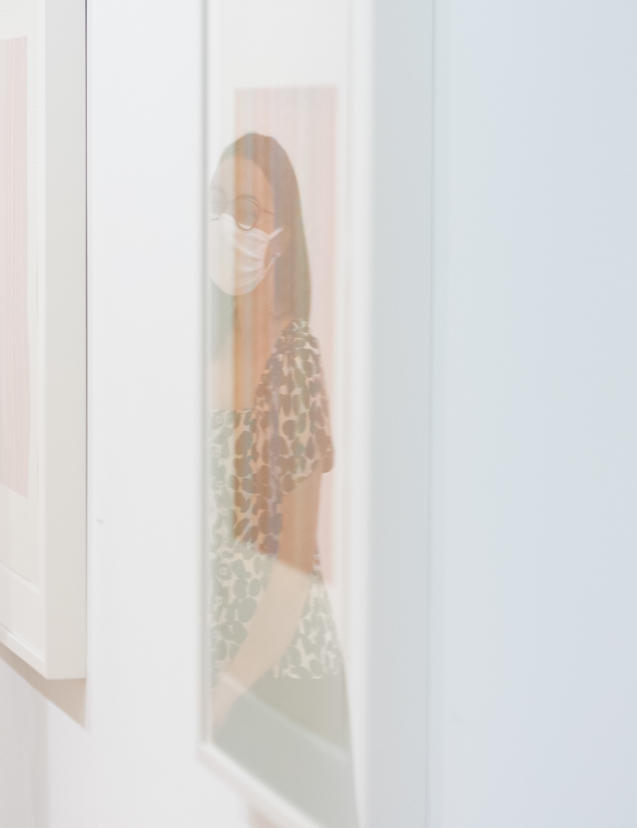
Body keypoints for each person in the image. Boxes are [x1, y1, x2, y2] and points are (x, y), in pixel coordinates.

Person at [205, 132, 358, 826]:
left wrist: (230, 689)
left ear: (282, 238)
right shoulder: (200, 341)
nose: (229, 226)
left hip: (284, 682)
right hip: (219, 670)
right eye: (218, 204)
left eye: (249, 210)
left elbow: (294, 568)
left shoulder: (295, 359)